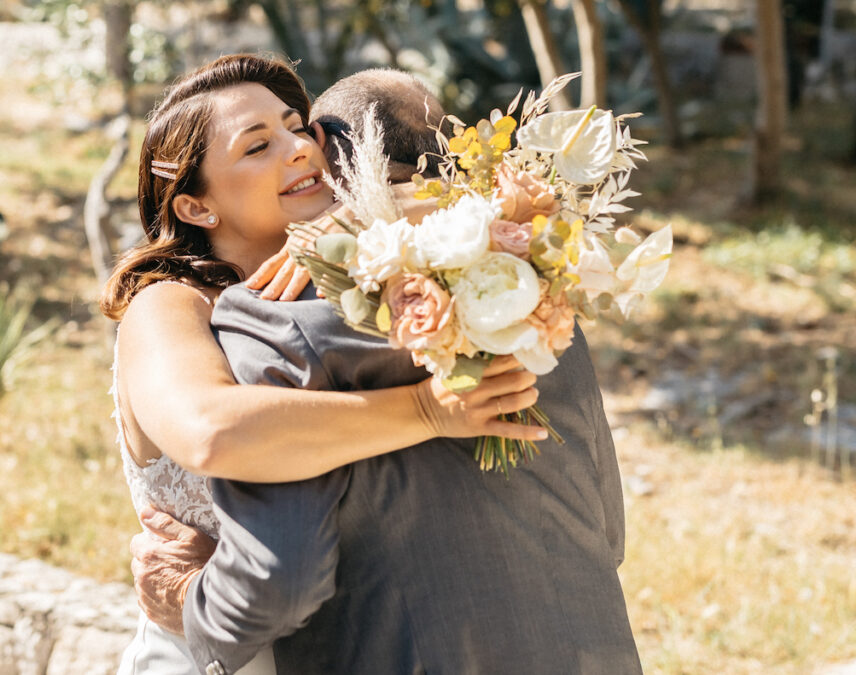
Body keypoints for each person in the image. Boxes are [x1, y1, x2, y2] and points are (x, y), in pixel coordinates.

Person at [138, 71, 643, 674]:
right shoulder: (528, 292)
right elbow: (605, 534)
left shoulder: (300, 313)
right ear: (195, 204)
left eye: (299, 131)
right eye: (257, 144)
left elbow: (287, 573)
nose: (298, 148)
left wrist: (186, 600)